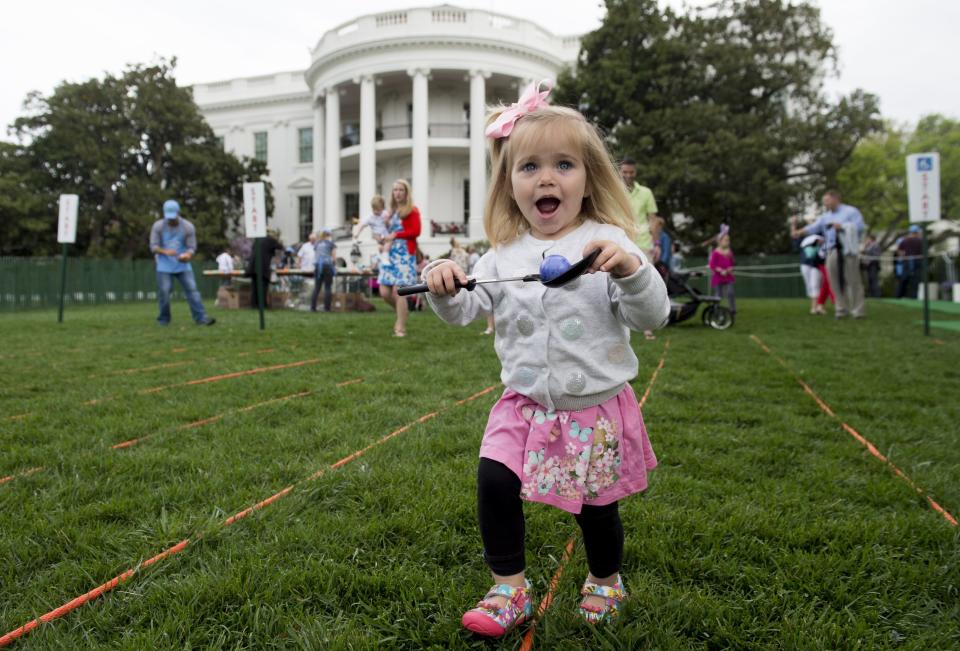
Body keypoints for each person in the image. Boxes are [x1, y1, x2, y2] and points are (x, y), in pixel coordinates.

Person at [422, 82, 670, 636]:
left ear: (588, 179)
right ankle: (508, 589)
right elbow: (466, 310)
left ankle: (605, 579)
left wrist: (632, 272)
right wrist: (443, 289)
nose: (547, 178)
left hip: (593, 406)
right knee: (493, 481)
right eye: (529, 167)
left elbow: (653, 317)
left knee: (594, 507)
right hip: (523, 402)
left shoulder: (607, 242)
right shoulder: (502, 253)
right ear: (510, 186)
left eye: (563, 164)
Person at [790, 190, 866, 319]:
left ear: (836, 199)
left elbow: (860, 227)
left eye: (827, 200)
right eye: (824, 201)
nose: (825, 203)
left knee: (853, 279)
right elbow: (813, 227)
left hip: (847, 250)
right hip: (831, 250)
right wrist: (798, 232)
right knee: (833, 280)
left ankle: (858, 311)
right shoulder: (826, 217)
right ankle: (841, 309)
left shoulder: (851, 211)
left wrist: (842, 226)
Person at [149, 199, 215, 326]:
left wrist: (187, 255)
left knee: (192, 290)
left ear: (178, 213)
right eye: (169, 218)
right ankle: (163, 320)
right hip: (164, 265)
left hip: (183, 265)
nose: (171, 220)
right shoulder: (158, 226)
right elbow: (153, 246)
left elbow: (191, 247)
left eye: (174, 217)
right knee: (164, 292)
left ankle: (201, 318)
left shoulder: (188, 227)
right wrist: (165, 252)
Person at [619, 157, 659, 341]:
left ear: (635, 172)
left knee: (645, 284)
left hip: (643, 243)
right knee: (616, 283)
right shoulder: (613, 190)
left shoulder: (646, 193)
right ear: (620, 171)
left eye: (631, 172)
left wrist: (657, 243)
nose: (628, 175)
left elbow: (653, 219)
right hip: (619, 241)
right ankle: (619, 323)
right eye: (625, 172)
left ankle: (647, 328)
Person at [378, 179, 421, 337]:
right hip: (389, 254)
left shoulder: (412, 210)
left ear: (406, 192)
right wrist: (382, 239)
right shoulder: (391, 212)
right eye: (395, 190)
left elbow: (416, 231)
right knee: (384, 291)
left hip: (404, 254)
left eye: (401, 190)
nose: (397, 193)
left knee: (399, 291)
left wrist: (396, 234)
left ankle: (400, 328)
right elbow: (386, 233)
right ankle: (402, 312)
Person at [246, 229, 282, 309]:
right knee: (263, 287)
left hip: (253, 266)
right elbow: (280, 247)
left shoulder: (258, 240)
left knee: (255, 287)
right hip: (263, 267)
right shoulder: (270, 240)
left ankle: (254, 305)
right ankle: (262, 305)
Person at [797, 230, 826, 314]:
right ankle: (816, 306)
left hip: (817, 266)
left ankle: (816, 307)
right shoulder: (807, 240)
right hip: (808, 265)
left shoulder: (822, 239)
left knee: (815, 285)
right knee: (811, 286)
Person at [709, 226, 736, 315]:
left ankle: (732, 309)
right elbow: (712, 265)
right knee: (718, 295)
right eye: (726, 240)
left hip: (728, 276)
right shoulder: (715, 252)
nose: (728, 242)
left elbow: (732, 264)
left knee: (730, 293)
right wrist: (720, 270)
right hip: (718, 277)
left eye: (728, 240)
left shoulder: (729, 252)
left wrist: (730, 269)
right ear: (719, 241)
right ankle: (716, 309)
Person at [311, 229, 336, 312]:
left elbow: (316, 255)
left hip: (318, 266)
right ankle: (327, 308)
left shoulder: (317, 244)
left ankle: (313, 308)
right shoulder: (331, 244)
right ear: (328, 235)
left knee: (317, 288)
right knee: (327, 287)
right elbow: (334, 257)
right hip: (327, 266)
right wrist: (334, 265)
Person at [896, 225, 924, 299]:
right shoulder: (921, 241)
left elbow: (900, 251)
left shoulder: (905, 240)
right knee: (915, 281)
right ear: (917, 232)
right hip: (917, 262)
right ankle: (913, 297)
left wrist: (903, 256)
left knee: (904, 280)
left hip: (906, 262)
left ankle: (899, 296)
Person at [862, 233, 882, 298]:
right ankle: (871, 295)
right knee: (870, 280)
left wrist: (869, 261)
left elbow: (876, 256)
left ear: (871, 239)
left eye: (867, 239)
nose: (866, 240)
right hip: (868, 266)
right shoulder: (868, 246)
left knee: (874, 280)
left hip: (874, 265)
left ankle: (876, 295)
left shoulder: (876, 246)